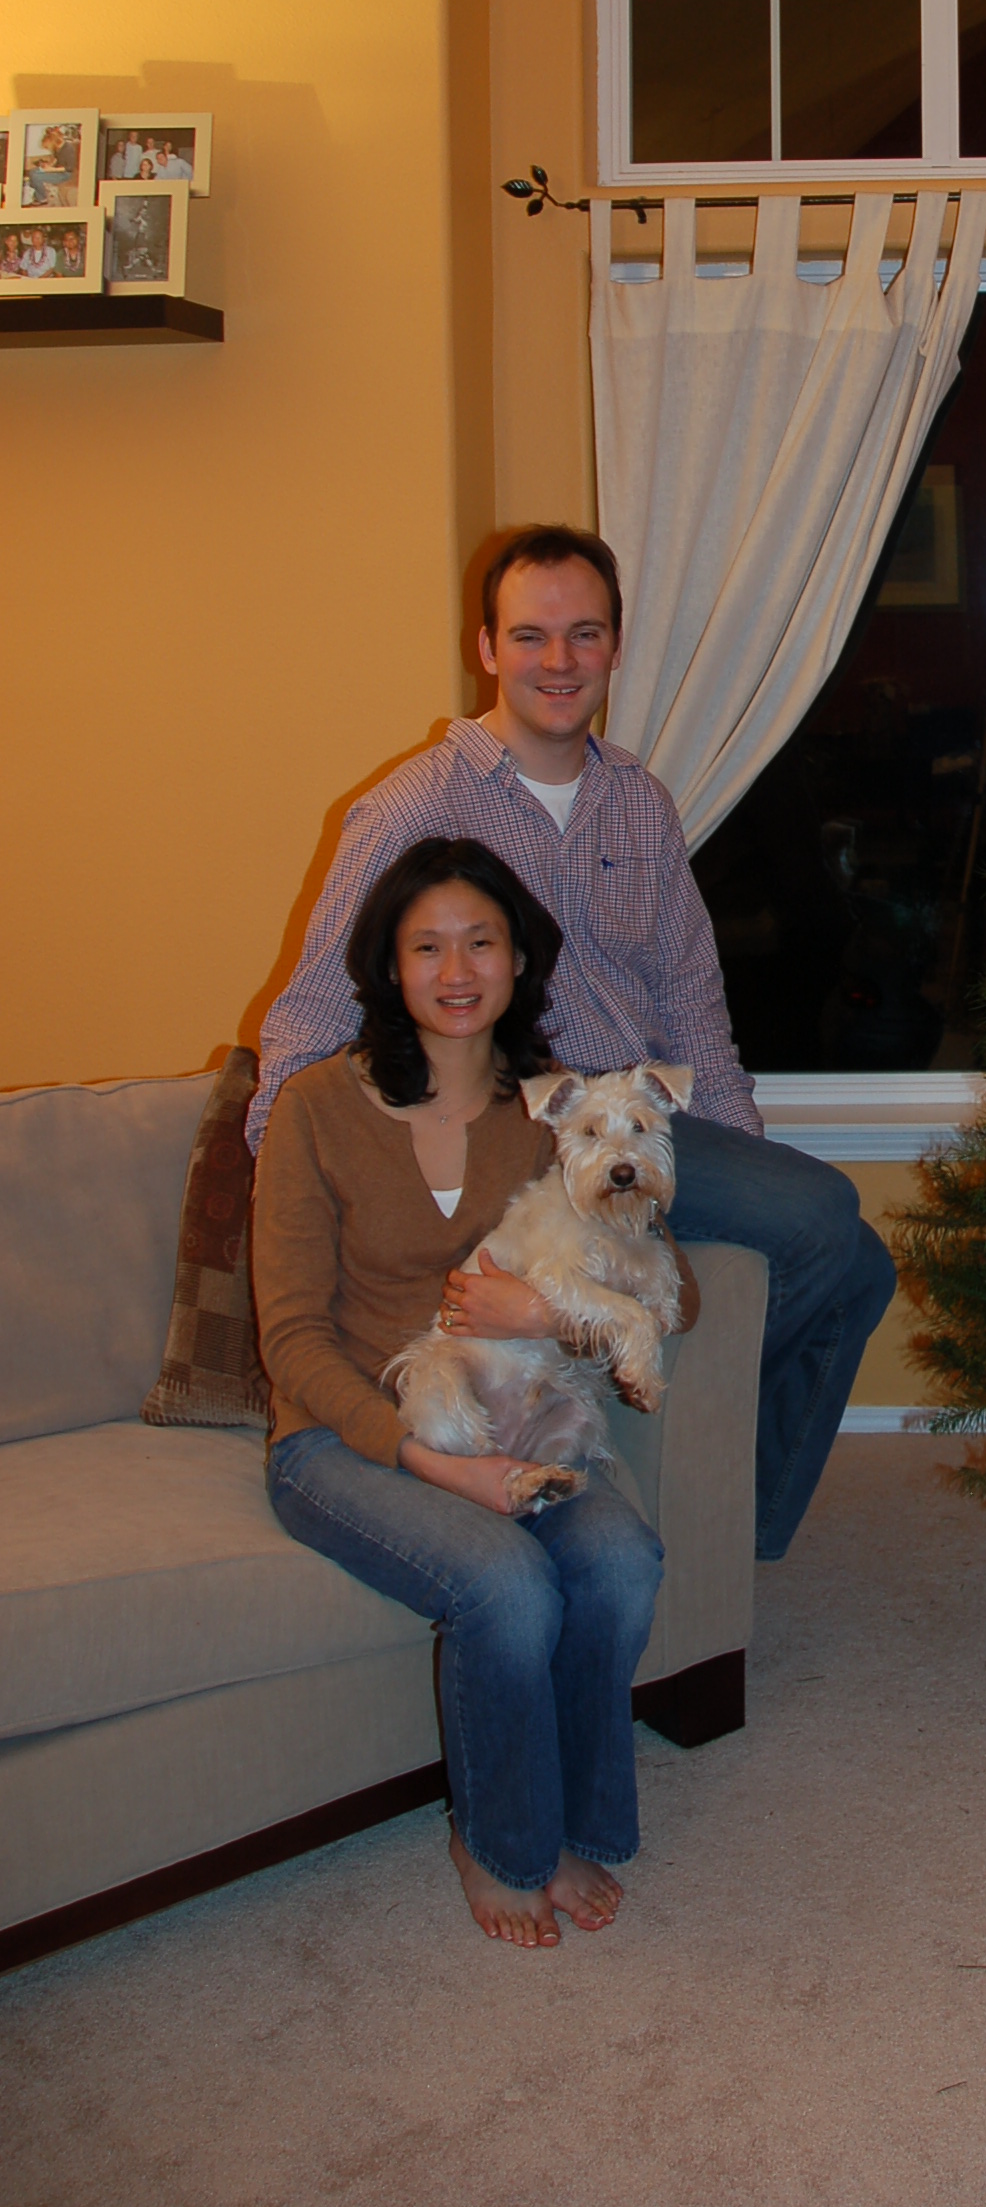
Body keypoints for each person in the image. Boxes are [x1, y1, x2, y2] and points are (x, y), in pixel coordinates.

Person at [252, 523, 895, 1561]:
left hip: (637, 1111)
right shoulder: (414, 805)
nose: (558, 660)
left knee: (853, 1262)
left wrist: (746, 1158)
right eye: (530, 635)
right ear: (487, 647)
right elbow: (316, 1007)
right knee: (825, 1212)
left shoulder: (639, 801)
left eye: (583, 634)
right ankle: (630, 1402)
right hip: (525, 1120)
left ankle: (735, 1525)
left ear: (614, 646)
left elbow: (692, 1002)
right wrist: (282, 1169)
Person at [257, 835, 668, 1949]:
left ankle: (576, 1819)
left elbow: (661, 1281)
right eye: (426, 945)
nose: (455, 969)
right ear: (388, 967)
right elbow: (290, 1337)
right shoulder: (314, 1106)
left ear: (519, 959)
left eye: (480, 942)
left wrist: (546, 1316)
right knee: (508, 1586)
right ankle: (497, 1843)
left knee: (621, 1562)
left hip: (517, 1411)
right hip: (347, 1436)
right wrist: (435, 1463)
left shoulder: (554, 1111)